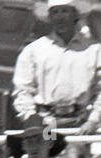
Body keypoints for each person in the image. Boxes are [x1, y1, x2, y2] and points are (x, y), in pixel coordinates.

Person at [12, 0, 101, 142]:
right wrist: (32, 119)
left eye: (65, 11)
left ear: (75, 15)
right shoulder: (34, 50)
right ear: (50, 17)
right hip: (46, 123)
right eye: (55, 12)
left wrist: (93, 120)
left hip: (82, 123)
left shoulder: (94, 50)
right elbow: (23, 89)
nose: (60, 17)